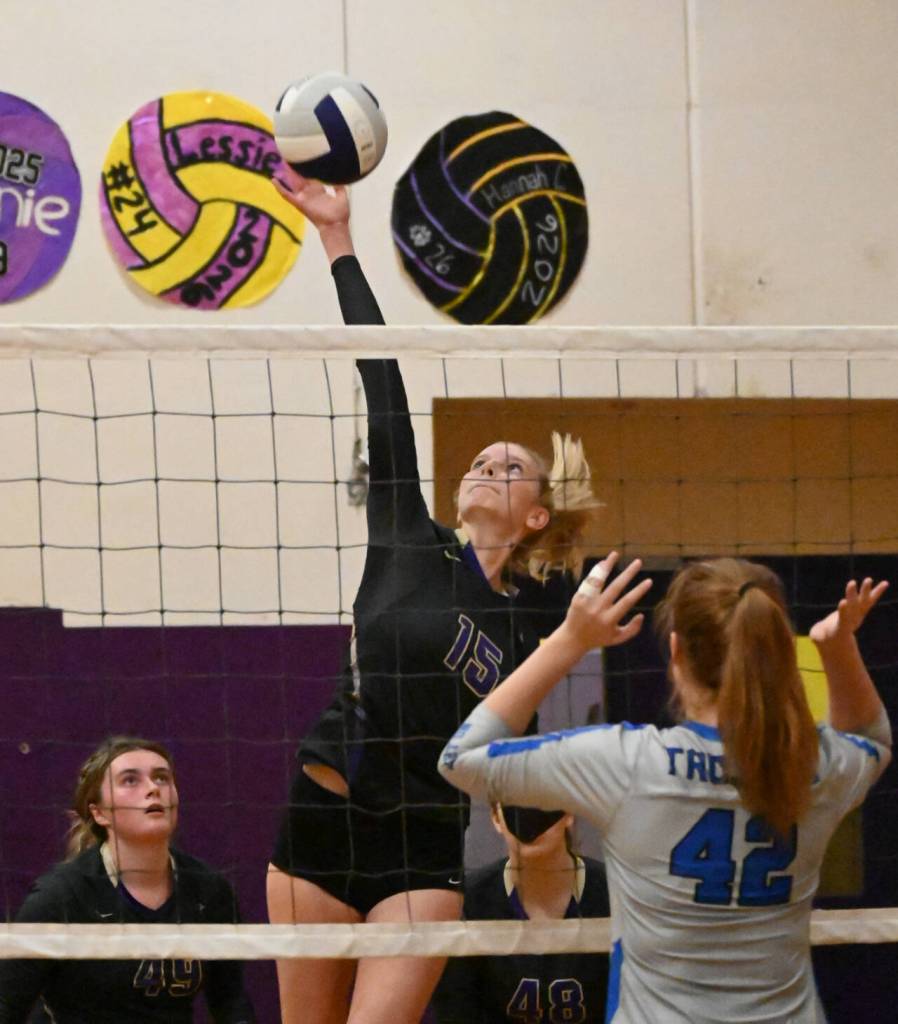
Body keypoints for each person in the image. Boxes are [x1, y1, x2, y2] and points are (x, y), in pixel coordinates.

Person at [266, 168, 602, 1024]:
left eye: (512, 465)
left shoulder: (527, 626)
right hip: (326, 818)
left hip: (423, 847)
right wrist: (338, 239)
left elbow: (514, 762)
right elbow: (382, 381)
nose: (489, 465)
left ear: (534, 514)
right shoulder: (405, 537)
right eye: (479, 460)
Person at [439, 554, 892, 1023]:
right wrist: (837, 648)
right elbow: (874, 741)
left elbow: (459, 760)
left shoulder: (631, 763)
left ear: (675, 653)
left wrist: (569, 641)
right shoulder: (812, 766)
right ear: (774, 653)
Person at [0, 736, 255, 1023]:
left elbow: (230, 1002)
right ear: (99, 813)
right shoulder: (60, 896)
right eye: (130, 781)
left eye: (162, 778)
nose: (152, 789)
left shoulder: (208, 892)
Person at [431, 803, 610, 1023]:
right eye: (513, 806)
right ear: (497, 819)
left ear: (569, 814)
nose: (529, 821)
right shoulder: (468, 904)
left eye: (541, 802)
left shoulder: (615, 897)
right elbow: (456, 1011)